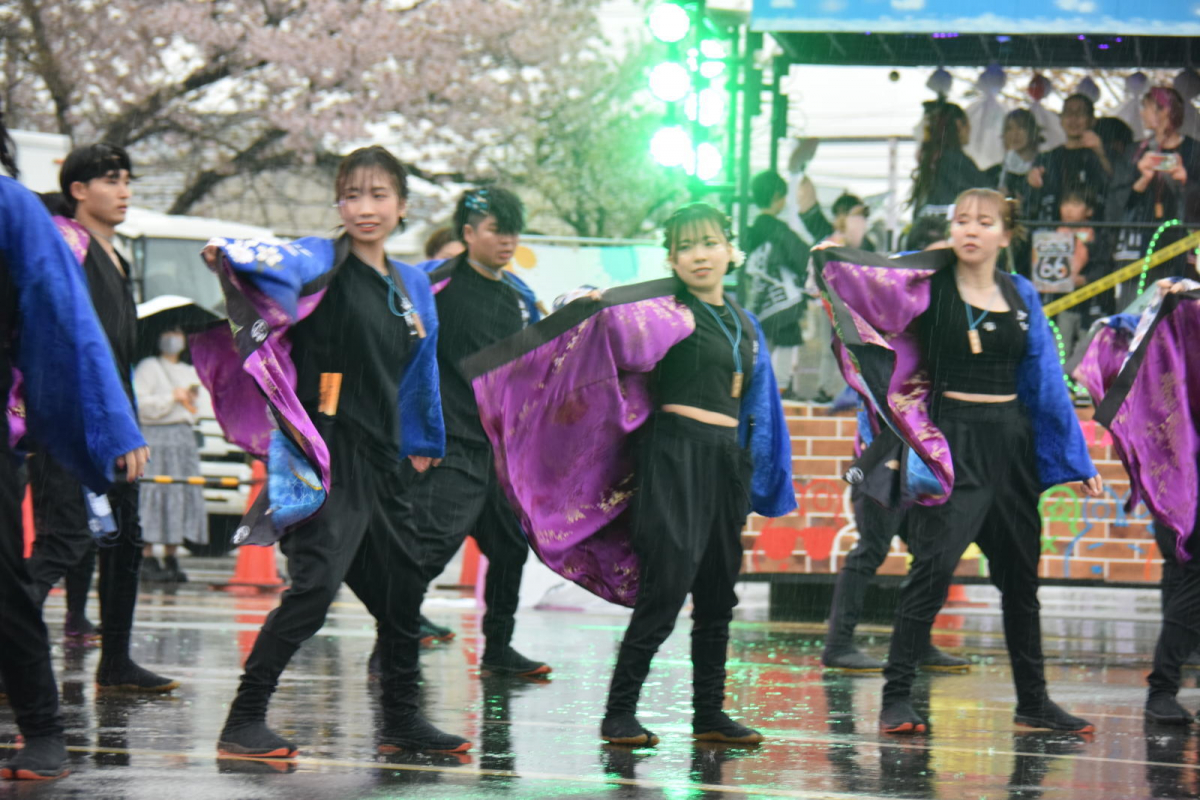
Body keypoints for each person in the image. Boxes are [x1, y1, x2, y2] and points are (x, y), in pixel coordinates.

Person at [462, 203, 796, 747]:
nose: (699, 254)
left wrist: (759, 476)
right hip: (673, 459)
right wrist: (585, 303)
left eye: (709, 242)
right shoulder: (662, 312)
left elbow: (761, 406)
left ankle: (708, 714)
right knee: (665, 590)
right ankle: (619, 713)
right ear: (671, 257)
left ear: (730, 249)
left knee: (718, 594)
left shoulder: (744, 321)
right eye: (685, 246)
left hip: (722, 463)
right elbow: (605, 324)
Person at [194, 146, 457, 758]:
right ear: (339, 203)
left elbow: (422, 370)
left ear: (402, 206)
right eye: (352, 195)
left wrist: (424, 441)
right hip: (323, 451)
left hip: (383, 456)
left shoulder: (412, 282)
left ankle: (401, 721)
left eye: (379, 195)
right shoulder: (322, 257)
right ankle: (243, 720)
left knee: (403, 593)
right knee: (313, 590)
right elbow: (273, 260)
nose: (364, 208)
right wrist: (229, 255)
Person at [812, 188, 1103, 735]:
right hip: (951, 445)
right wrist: (833, 259)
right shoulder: (927, 286)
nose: (970, 229)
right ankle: (897, 699)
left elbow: (1044, 383)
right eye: (961, 219)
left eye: (984, 221)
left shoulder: (1020, 295)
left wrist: (1075, 458)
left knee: (1021, 583)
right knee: (931, 572)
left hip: (1010, 449)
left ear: (1004, 234)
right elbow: (867, 290)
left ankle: (1034, 703)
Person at [0, 114, 148, 780]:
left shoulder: (13, 208)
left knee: (9, 581)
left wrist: (112, 425)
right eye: (109, 180)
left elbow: (70, 323)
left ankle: (43, 728)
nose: (122, 190)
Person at [24, 144, 179, 694]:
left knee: (123, 543)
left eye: (127, 180)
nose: (124, 191)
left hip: (117, 426)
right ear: (78, 191)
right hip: (69, 423)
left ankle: (116, 661)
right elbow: (68, 341)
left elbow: (116, 353)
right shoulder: (70, 245)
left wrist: (126, 427)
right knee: (65, 541)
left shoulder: (119, 257)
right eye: (110, 180)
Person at [822, 229, 969, 674]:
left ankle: (917, 642)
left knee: (932, 554)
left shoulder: (934, 331)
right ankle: (838, 644)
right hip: (881, 458)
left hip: (923, 460)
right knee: (870, 549)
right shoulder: (876, 334)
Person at [1073, 278, 1198, 726]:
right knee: (1190, 570)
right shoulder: (1182, 303)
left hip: (1177, 463)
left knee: (1183, 570)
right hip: (1181, 463)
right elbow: (1115, 333)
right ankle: (1163, 687)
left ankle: (1167, 683)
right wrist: (1158, 304)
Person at [133, 326, 206, 582]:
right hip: (155, 436)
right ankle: (147, 554)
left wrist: (187, 401)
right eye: (169, 332)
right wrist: (169, 398)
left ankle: (173, 554)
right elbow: (139, 405)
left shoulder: (189, 372)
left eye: (178, 333)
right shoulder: (148, 367)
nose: (174, 338)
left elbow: (197, 409)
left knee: (180, 493)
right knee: (153, 493)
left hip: (183, 439)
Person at [1110, 86, 1200, 295]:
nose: (1141, 113)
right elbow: (1115, 201)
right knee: (1138, 302)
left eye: (1147, 107)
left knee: (1180, 303)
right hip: (1141, 238)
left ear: (1165, 111)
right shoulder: (1135, 151)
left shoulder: (1194, 150)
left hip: (1182, 240)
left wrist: (1185, 180)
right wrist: (1142, 179)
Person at [740, 170, 814, 398]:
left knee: (758, 351)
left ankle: (758, 392)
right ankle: (777, 392)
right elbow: (803, 257)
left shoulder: (749, 232)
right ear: (776, 197)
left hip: (756, 302)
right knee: (782, 350)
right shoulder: (779, 230)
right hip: (783, 305)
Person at [808, 194, 866, 404]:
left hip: (850, 307)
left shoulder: (860, 245)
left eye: (863, 216)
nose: (861, 221)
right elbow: (814, 280)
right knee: (831, 348)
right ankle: (827, 389)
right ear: (842, 216)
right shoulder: (828, 245)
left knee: (847, 349)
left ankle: (844, 390)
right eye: (857, 215)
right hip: (831, 305)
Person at [1028, 94, 1112, 221]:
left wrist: (1101, 153)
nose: (1074, 118)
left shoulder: (1102, 155)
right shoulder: (1047, 158)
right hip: (1052, 230)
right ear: (1061, 119)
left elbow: (1115, 186)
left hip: (1093, 229)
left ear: (1092, 120)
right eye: (1068, 112)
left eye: (1080, 113)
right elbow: (1032, 201)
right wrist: (1032, 184)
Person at [910, 101, 990, 218]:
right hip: (947, 225)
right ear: (959, 124)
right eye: (968, 124)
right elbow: (983, 193)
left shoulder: (934, 158)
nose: (970, 129)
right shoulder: (954, 160)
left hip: (928, 223)